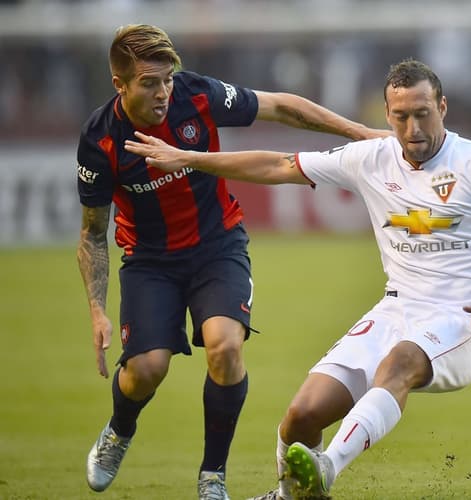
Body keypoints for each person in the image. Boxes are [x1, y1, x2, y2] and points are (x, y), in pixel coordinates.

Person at [124, 58, 471, 499]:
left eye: (423, 113)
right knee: (301, 416)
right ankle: (292, 495)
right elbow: (277, 165)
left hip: (463, 317)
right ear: (387, 115)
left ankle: (327, 467)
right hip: (396, 309)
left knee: (399, 363)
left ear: (442, 107)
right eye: (401, 116)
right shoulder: (371, 158)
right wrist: (190, 159)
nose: (413, 127)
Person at [76, 24, 388, 500]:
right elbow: (93, 232)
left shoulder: (197, 94)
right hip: (149, 261)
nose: (163, 92)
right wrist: (98, 311)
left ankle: (212, 476)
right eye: (149, 83)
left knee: (224, 347)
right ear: (119, 85)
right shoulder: (99, 141)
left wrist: (363, 134)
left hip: (216, 247)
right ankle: (119, 429)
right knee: (147, 369)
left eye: (167, 80)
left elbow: (282, 106)